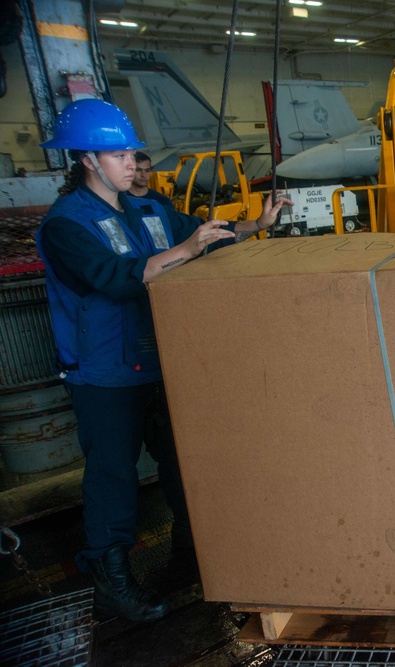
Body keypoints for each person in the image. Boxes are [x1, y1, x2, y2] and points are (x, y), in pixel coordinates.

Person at [35, 99, 291, 623]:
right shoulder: (67, 225)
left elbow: (198, 234)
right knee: (113, 475)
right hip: (104, 371)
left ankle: (191, 554)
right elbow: (116, 277)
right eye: (119, 154)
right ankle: (111, 580)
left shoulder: (147, 210)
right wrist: (190, 250)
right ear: (87, 159)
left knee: (183, 463)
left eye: (132, 153)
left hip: (160, 358)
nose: (132, 162)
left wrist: (253, 225)